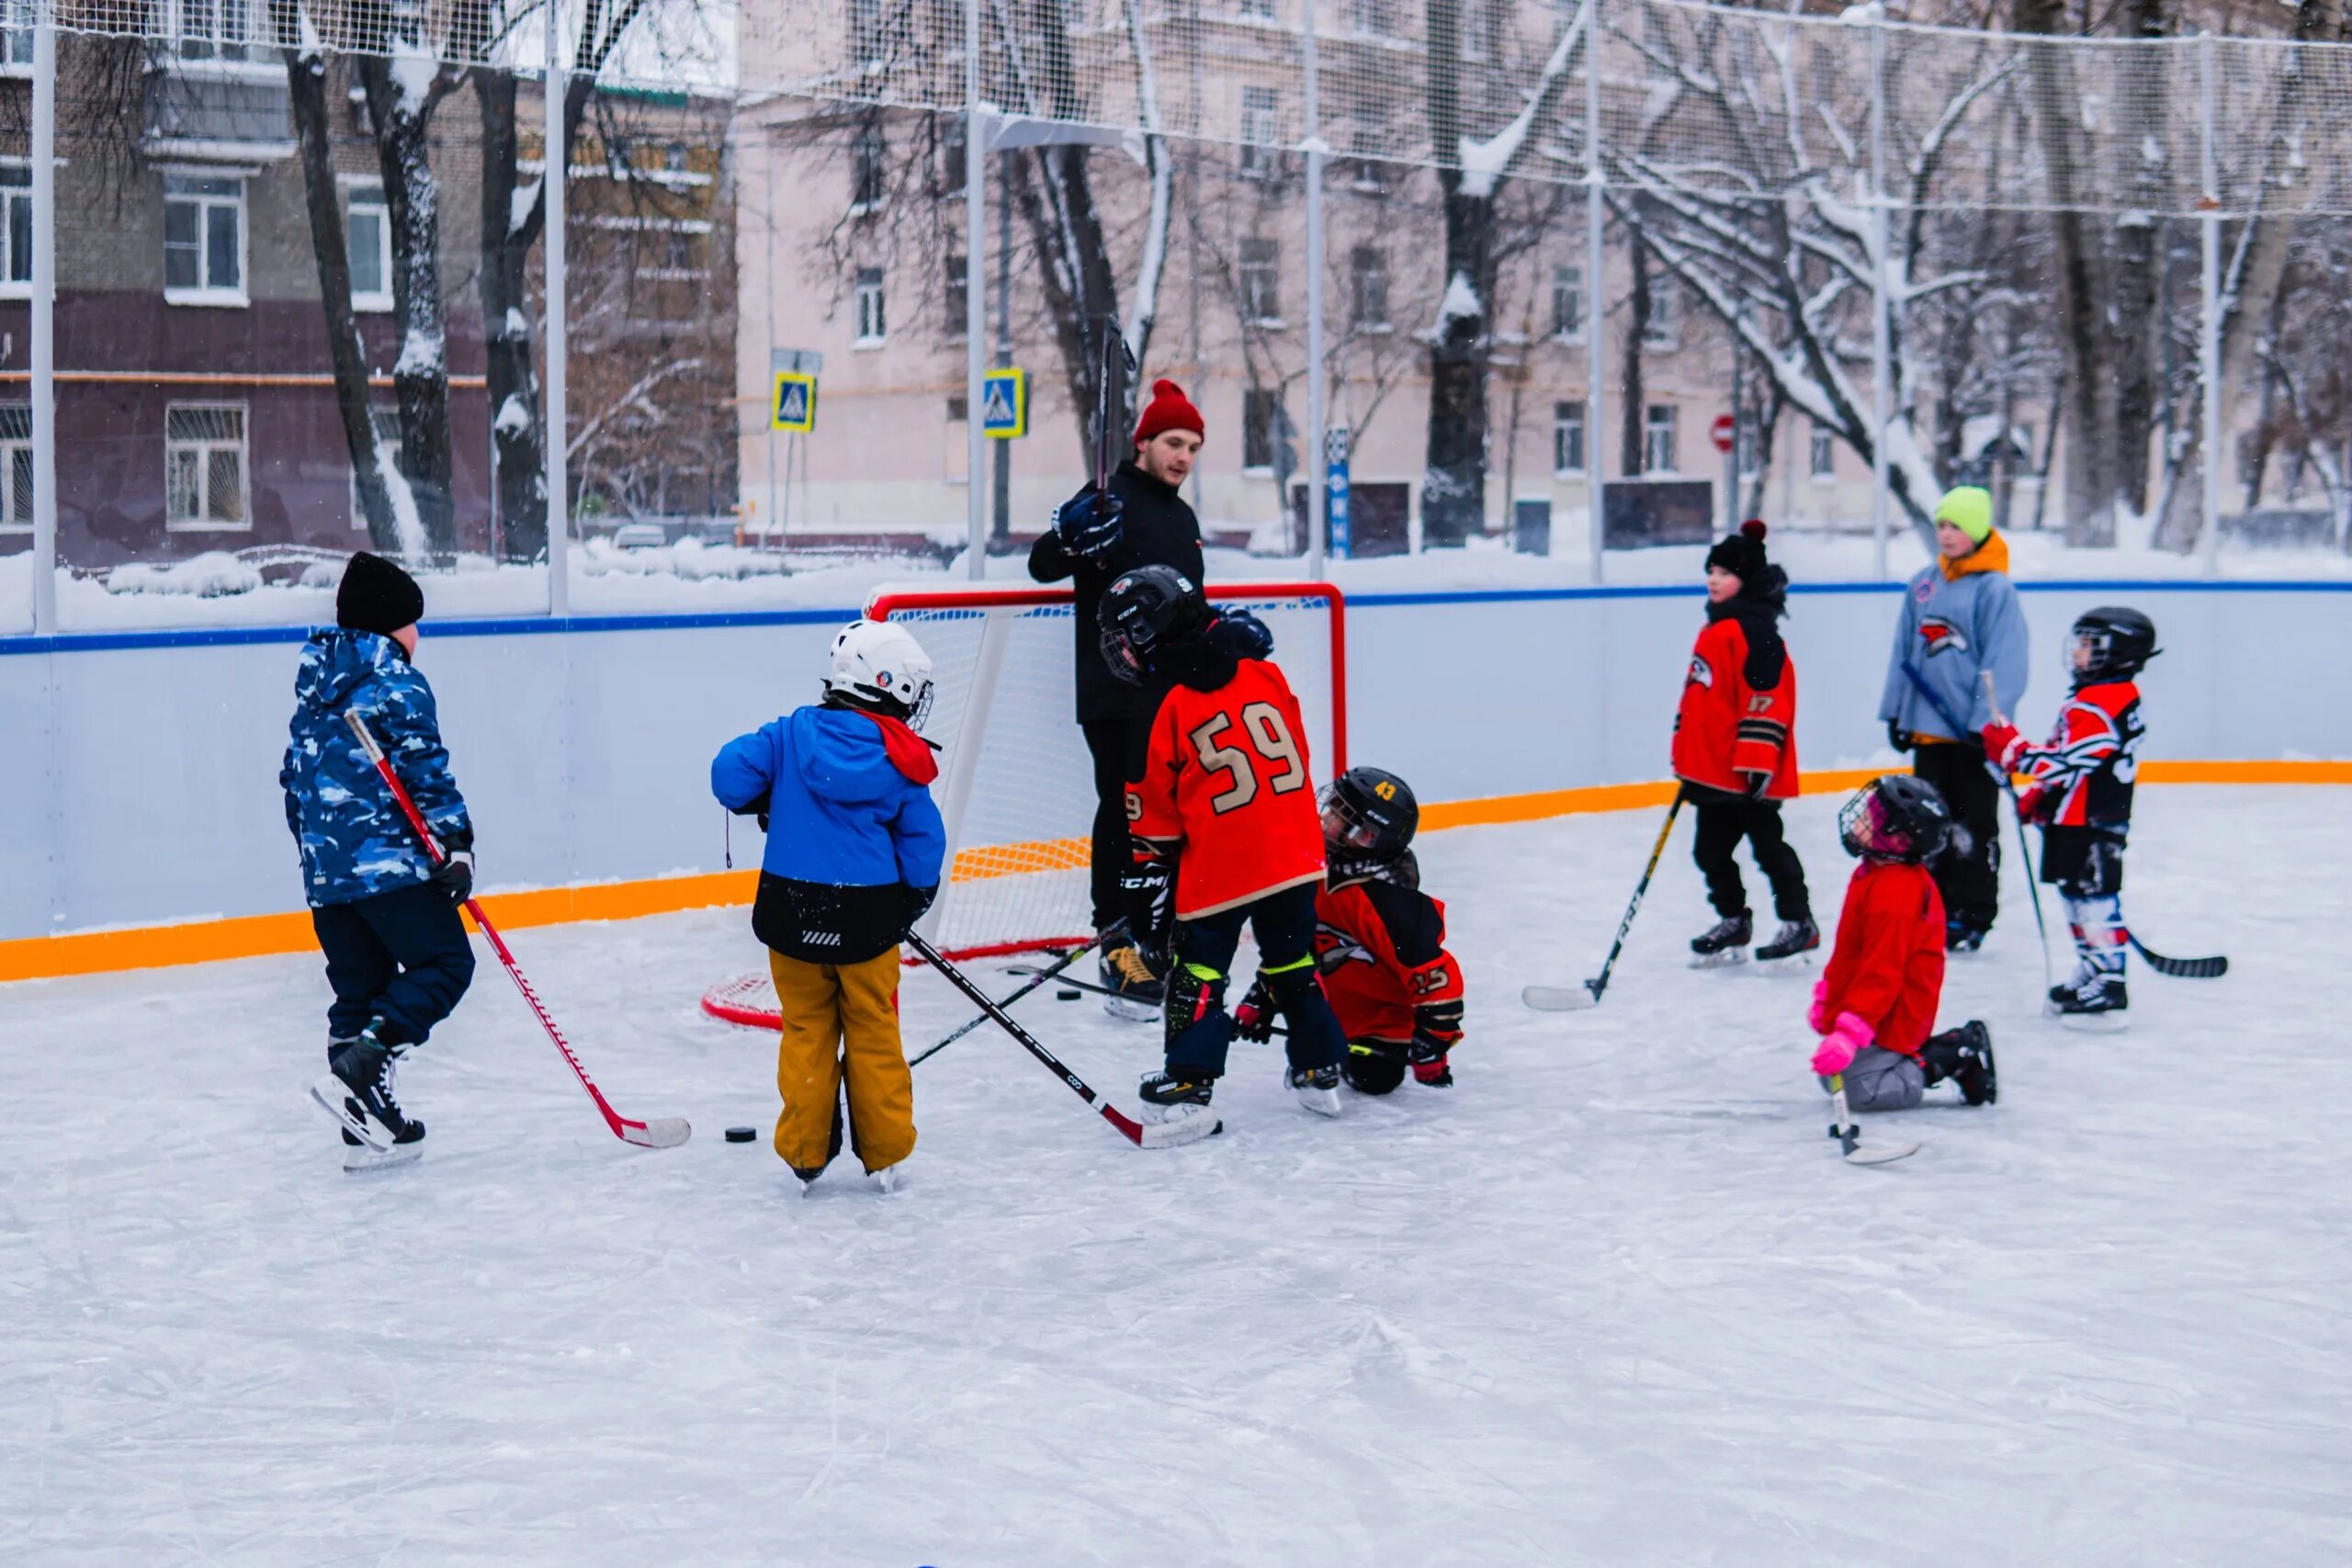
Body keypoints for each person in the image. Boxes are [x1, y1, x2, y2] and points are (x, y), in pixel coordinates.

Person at [1102, 565, 1351, 1121]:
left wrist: (1150, 873)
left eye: (1125, 635)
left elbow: (1155, 814)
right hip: (1296, 852)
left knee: (1199, 972)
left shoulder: (1161, 701)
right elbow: (1298, 754)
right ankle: (1319, 1067)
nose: (1121, 651)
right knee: (1292, 961)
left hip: (1224, 866)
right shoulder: (1263, 672)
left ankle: (1189, 1080)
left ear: (1150, 631)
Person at [710, 620, 946, 1194]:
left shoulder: (789, 735)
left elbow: (728, 774)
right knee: (873, 1029)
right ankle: (886, 1150)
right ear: (893, 686)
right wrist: (913, 898)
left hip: (791, 913)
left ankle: (805, 1153)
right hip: (866, 920)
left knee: (806, 1029)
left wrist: (770, 794)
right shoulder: (901, 759)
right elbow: (923, 844)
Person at [288, 551, 478, 1171]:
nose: (417, 636)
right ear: (389, 625)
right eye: (411, 623)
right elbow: (425, 767)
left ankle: (365, 1123)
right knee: (446, 963)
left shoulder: (315, 690)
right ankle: (370, 1058)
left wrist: (320, 861)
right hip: (387, 867)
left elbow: (293, 785)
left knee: (360, 990)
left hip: (327, 876)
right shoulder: (396, 680)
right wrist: (457, 844)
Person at [1029, 378, 1209, 1014]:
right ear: (1144, 442)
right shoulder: (1108, 497)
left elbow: (1192, 604)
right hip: (1115, 690)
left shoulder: (1182, 514)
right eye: (1172, 442)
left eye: (1192, 445)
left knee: (1175, 811)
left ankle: (1163, 927)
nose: (1183, 456)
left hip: (1174, 692)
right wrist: (1070, 536)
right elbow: (1042, 564)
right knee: (1124, 809)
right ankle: (1117, 935)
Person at [1236, 767, 1465, 1096]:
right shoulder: (1317, 875)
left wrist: (1433, 1042)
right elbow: (1296, 945)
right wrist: (1264, 996)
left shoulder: (1391, 904)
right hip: (1333, 1007)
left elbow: (1434, 975)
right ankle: (1323, 1041)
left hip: (1384, 1021)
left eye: (1338, 815)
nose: (1324, 817)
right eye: (1331, 806)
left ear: (1364, 836)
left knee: (1376, 1077)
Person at [1980, 606, 2157, 1030]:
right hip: (2075, 819)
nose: (2078, 652)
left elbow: (2063, 763)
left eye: (2089, 645)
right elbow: (2072, 768)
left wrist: (2012, 749)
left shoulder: (2104, 701)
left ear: (2119, 654)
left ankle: (2109, 979)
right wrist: (2040, 798)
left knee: (2093, 901)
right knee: (2077, 897)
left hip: (2093, 824)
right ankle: (2092, 969)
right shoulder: (2096, 698)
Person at [1878, 484, 2030, 953]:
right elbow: (1905, 652)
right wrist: (1897, 712)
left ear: (1978, 530)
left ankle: (1975, 912)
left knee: (1974, 826)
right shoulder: (1923, 583)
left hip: (1972, 738)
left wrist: (1985, 722)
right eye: (1942, 524)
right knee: (1929, 826)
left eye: (1956, 526)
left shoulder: (1994, 589)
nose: (1946, 534)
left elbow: (2006, 662)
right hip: (1928, 733)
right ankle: (1937, 909)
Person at [1808, 774, 1997, 1113]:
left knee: (1862, 1092)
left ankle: (1949, 1056)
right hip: (1871, 1004)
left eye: (1869, 818)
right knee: (1831, 1077)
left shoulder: (1895, 893)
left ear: (1896, 838)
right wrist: (1829, 997)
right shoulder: (1872, 871)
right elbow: (1851, 951)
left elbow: (1883, 972)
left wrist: (1849, 1034)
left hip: (1897, 1009)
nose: (1858, 820)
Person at [1674, 519, 1815, 965]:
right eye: (1711, 571)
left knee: (1769, 847)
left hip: (1749, 774)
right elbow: (1702, 698)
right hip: (1716, 773)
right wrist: (1688, 759)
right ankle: (1734, 919)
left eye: (1725, 573)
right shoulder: (1715, 629)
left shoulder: (1757, 633)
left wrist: (1758, 760)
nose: (1714, 580)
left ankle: (1799, 922)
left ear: (1746, 581)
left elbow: (1767, 699)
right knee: (1709, 852)